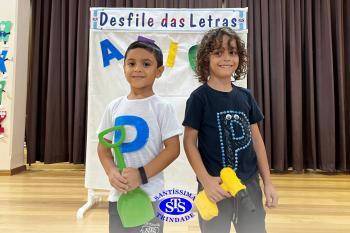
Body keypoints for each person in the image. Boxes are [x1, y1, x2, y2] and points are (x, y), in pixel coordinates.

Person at [183, 27, 278, 233]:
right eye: (218, 52)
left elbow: (256, 140)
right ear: (205, 59)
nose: (226, 58)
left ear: (239, 57)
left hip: (249, 184)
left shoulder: (246, 96)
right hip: (215, 187)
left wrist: (268, 183)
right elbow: (189, 142)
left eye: (232, 52)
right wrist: (205, 180)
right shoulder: (199, 98)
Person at [97, 40, 182, 233]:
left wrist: (141, 175)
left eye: (146, 64)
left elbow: (173, 149)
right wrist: (111, 172)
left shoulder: (163, 107)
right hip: (119, 197)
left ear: (159, 71)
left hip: (151, 197)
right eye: (131, 63)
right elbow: (103, 148)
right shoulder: (114, 107)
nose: (137, 69)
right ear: (124, 67)